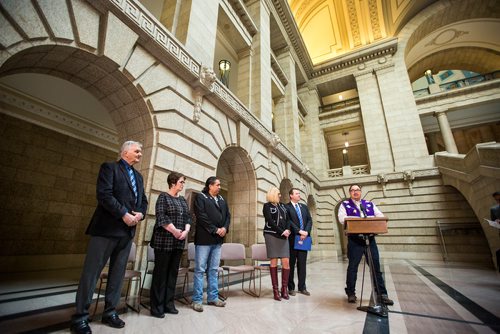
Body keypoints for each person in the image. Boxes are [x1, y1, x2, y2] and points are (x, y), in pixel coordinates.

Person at [70, 141, 148, 334]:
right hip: (106, 229)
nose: (140, 154)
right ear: (125, 152)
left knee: (117, 274)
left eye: (141, 151)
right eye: (137, 151)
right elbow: (104, 195)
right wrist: (124, 214)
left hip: (127, 232)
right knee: (92, 273)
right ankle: (80, 317)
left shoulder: (138, 176)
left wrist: (140, 214)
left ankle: (110, 312)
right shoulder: (109, 168)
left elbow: (143, 201)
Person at [337, 184, 393, 305]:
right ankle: (351, 293)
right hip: (355, 240)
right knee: (353, 267)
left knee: (376, 268)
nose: (355, 192)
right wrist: (359, 221)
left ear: (361, 192)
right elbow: (342, 219)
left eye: (357, 190)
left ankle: (382, 294)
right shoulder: (345, 205)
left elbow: (380, 216)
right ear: (350, 193)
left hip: (370, 239)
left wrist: (369, 220)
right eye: (352, 190)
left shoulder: (369, 204)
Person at [149, 172, 191, 318]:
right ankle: (157, 306)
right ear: (173, 182)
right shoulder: (163, 197)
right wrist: (174, 231)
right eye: (181, 182)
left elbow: (188, 217)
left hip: (178, 242)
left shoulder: (183, 201)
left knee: (172, 274)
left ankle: (168, 304)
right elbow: (161, 216)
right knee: (161, 274)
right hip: (164, 241)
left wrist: (185, 231)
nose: (182, 184)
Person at [191, 176, 230, 312]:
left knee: (213, 269)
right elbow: (201, 216)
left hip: (218, 240)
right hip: (204, 239)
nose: (219, 187)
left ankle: (213, 297)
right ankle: (197, 300)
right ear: (210, 186)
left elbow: (228, 216)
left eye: (220, 185)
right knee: (200, 270)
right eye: (217, 185)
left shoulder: (222, 200)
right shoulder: (201, 197)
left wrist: (224, 228)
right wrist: (215, 229)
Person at [263, 186, 291, 301]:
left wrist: (288, 230)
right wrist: (282, 231)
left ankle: (284, 289)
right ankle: (275, 290)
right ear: (273, 194)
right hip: (271, 235)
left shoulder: (283, 206)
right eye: (278, 193)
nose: (280, 195)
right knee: (273, 260)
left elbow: (288, 220)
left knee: (286, 261)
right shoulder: (267, 206)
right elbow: (270, 221)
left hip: (284, 235)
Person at [286, 188, 313, 296]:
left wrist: (306, 232)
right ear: (291, 195)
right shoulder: (286, 207)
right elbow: (289, 221)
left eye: (299, 193)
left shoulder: (304, 207)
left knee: (302, 264)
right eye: (297, 193)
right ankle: (290, 288)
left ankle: (302, 287)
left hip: (304, 239)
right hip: (292, 239)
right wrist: (299, 231)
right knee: (291, 264)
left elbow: (309, 220)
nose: (299, 195)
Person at [491, 191, 500, 272]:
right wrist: (496, 221)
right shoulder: (494, 209)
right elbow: (493, 220)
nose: (498, 202)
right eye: (496, 200)